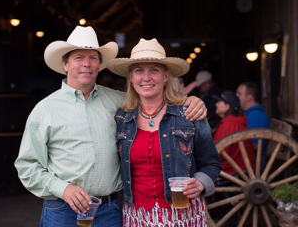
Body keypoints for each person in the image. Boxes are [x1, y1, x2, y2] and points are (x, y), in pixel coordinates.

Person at [14, 26, 208, 227]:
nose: (87, 64)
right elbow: (27, 166)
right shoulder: (45, 109)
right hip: (63, 211)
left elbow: (156, 102)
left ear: (99, 64)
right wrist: (63, 188)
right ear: (65, 64)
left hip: (110, 211)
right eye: (79, 58)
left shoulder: (120, 102)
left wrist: (192, 102)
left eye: (93, 58)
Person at [107, 38, 222, 227]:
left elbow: (211, 163)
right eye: (139, 71)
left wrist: (200, 184)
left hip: (184, 215)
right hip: (137, 215)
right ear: (131, 78)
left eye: (154, 70)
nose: (146, 77)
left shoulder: (189, 113)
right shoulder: (121, 118)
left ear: (166, 76)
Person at [212, 91, 256, 177]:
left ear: (227, 106)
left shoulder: (229, 125)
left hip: (232, 169)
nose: (216, 104)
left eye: (219, 102)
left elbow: (218, 153)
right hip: (241, 166)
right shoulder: (234, 121)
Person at [236, 82, 270, 171]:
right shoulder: (250, 114)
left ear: (249, 97)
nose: (236, 96)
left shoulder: (256, 115)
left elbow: (254, 145)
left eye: (239, 94)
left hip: (254, 163)